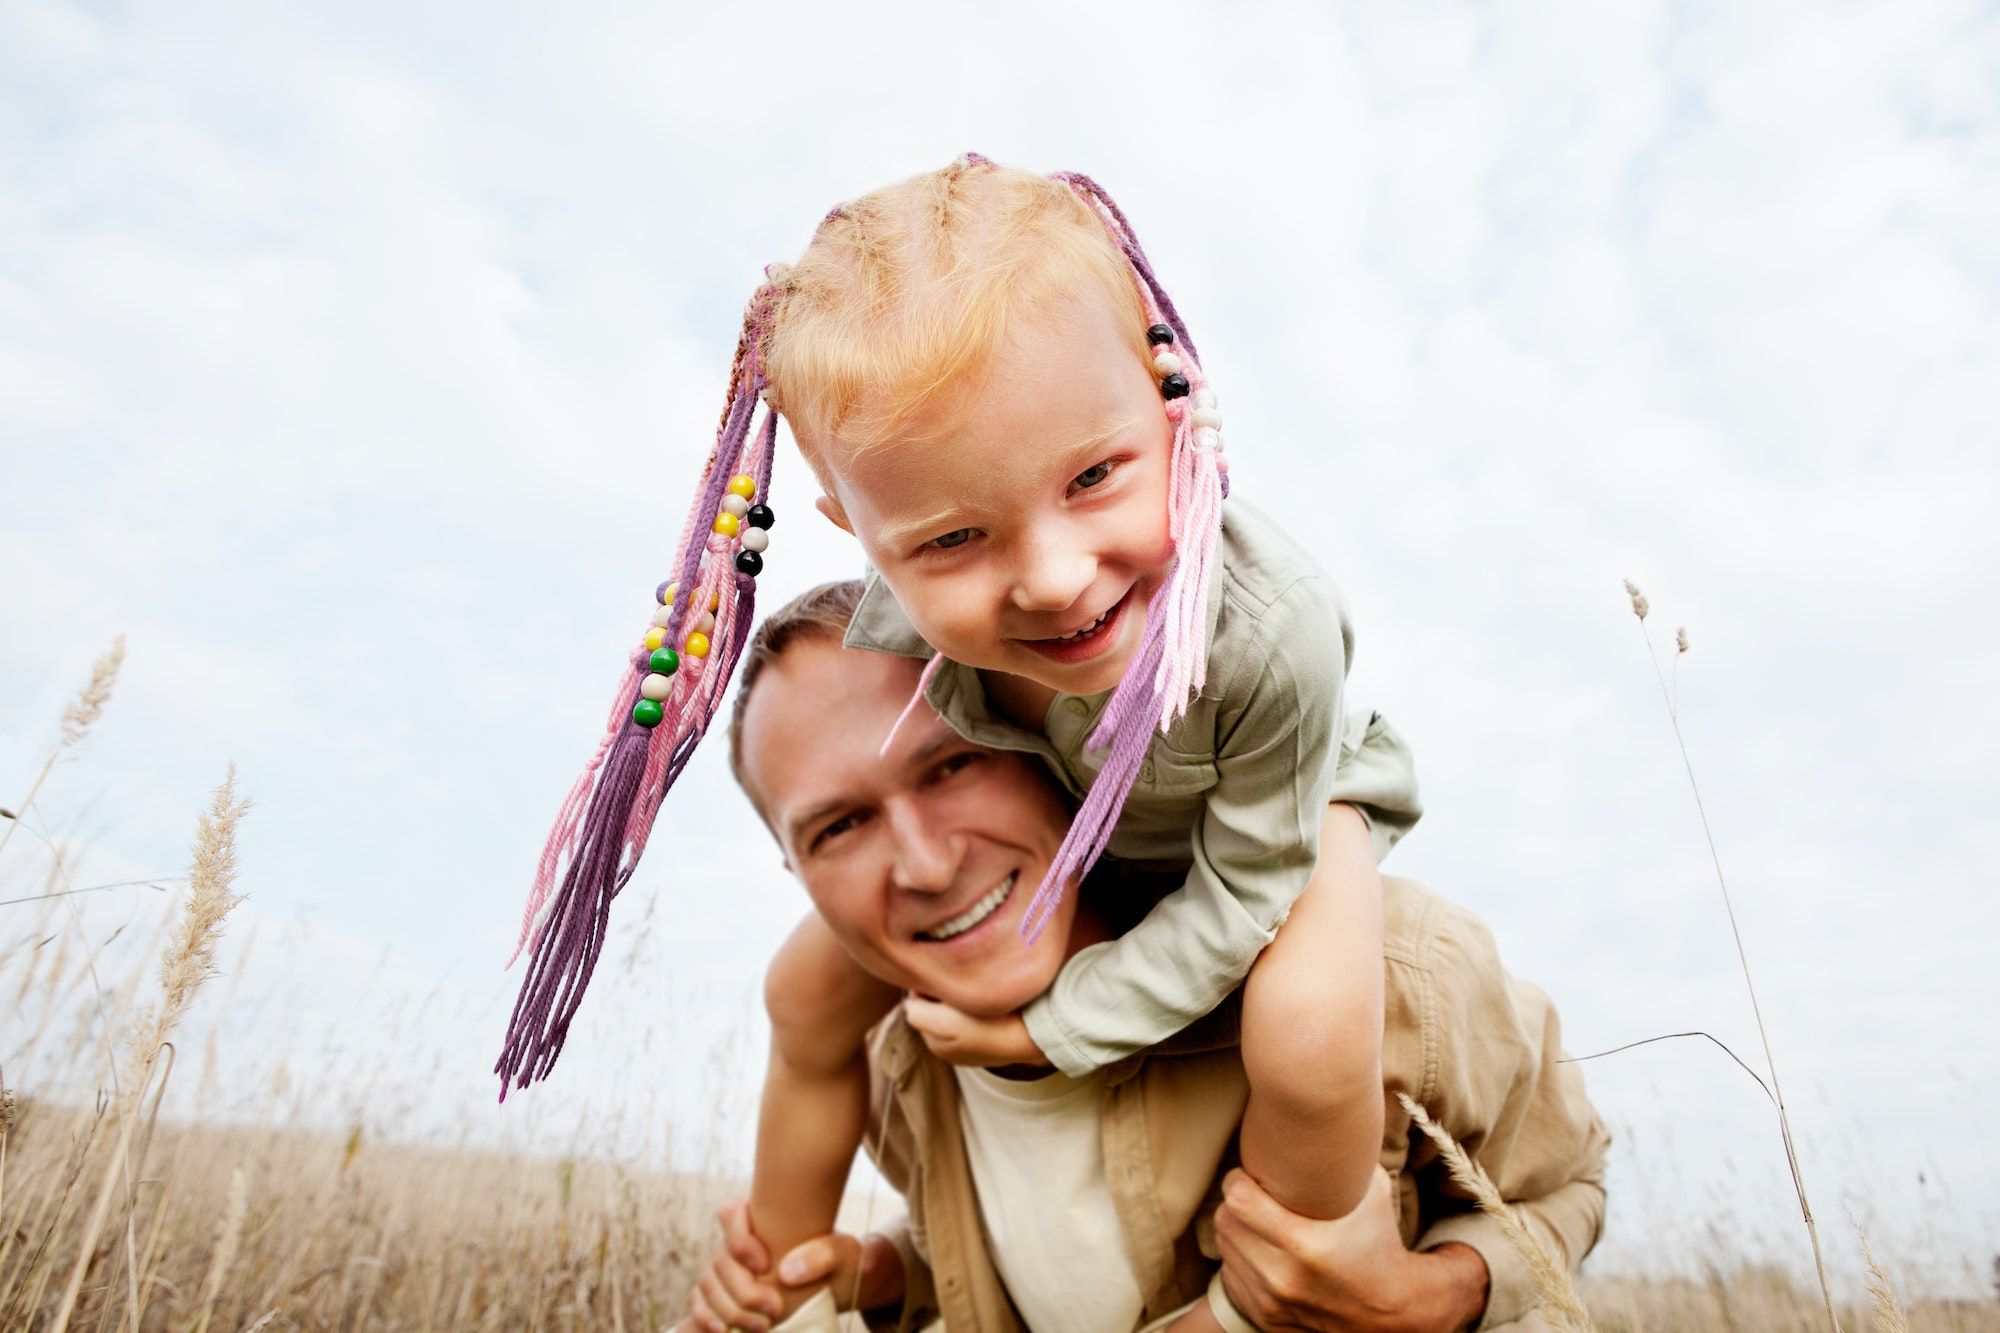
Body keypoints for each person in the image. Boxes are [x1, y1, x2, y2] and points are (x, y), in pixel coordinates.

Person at [501, 154, 1432, 1328]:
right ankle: (777, 1291)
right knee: (803, 984)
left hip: (1280, 821)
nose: (1050, 581)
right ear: (854, 528)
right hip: (1086, 832)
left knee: (1302, 1021)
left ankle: (1279, 1287)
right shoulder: (903, 633)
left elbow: (1248, 885)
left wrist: (1054, 1022)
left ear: (1166, 385)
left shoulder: (1269, 630)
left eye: (1094, 475)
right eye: (948, 540)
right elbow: (881, 772)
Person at [680, 582, 1610, 1332]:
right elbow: (1046, 1258)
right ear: (795, 869)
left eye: (953, 763)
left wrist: (1434, 1296)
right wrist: (885, 1271)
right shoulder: (893, 1066)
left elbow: (1570, 1185)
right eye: (840, 825)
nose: (926, 864)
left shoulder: (1392, 966)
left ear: (1051, 743)